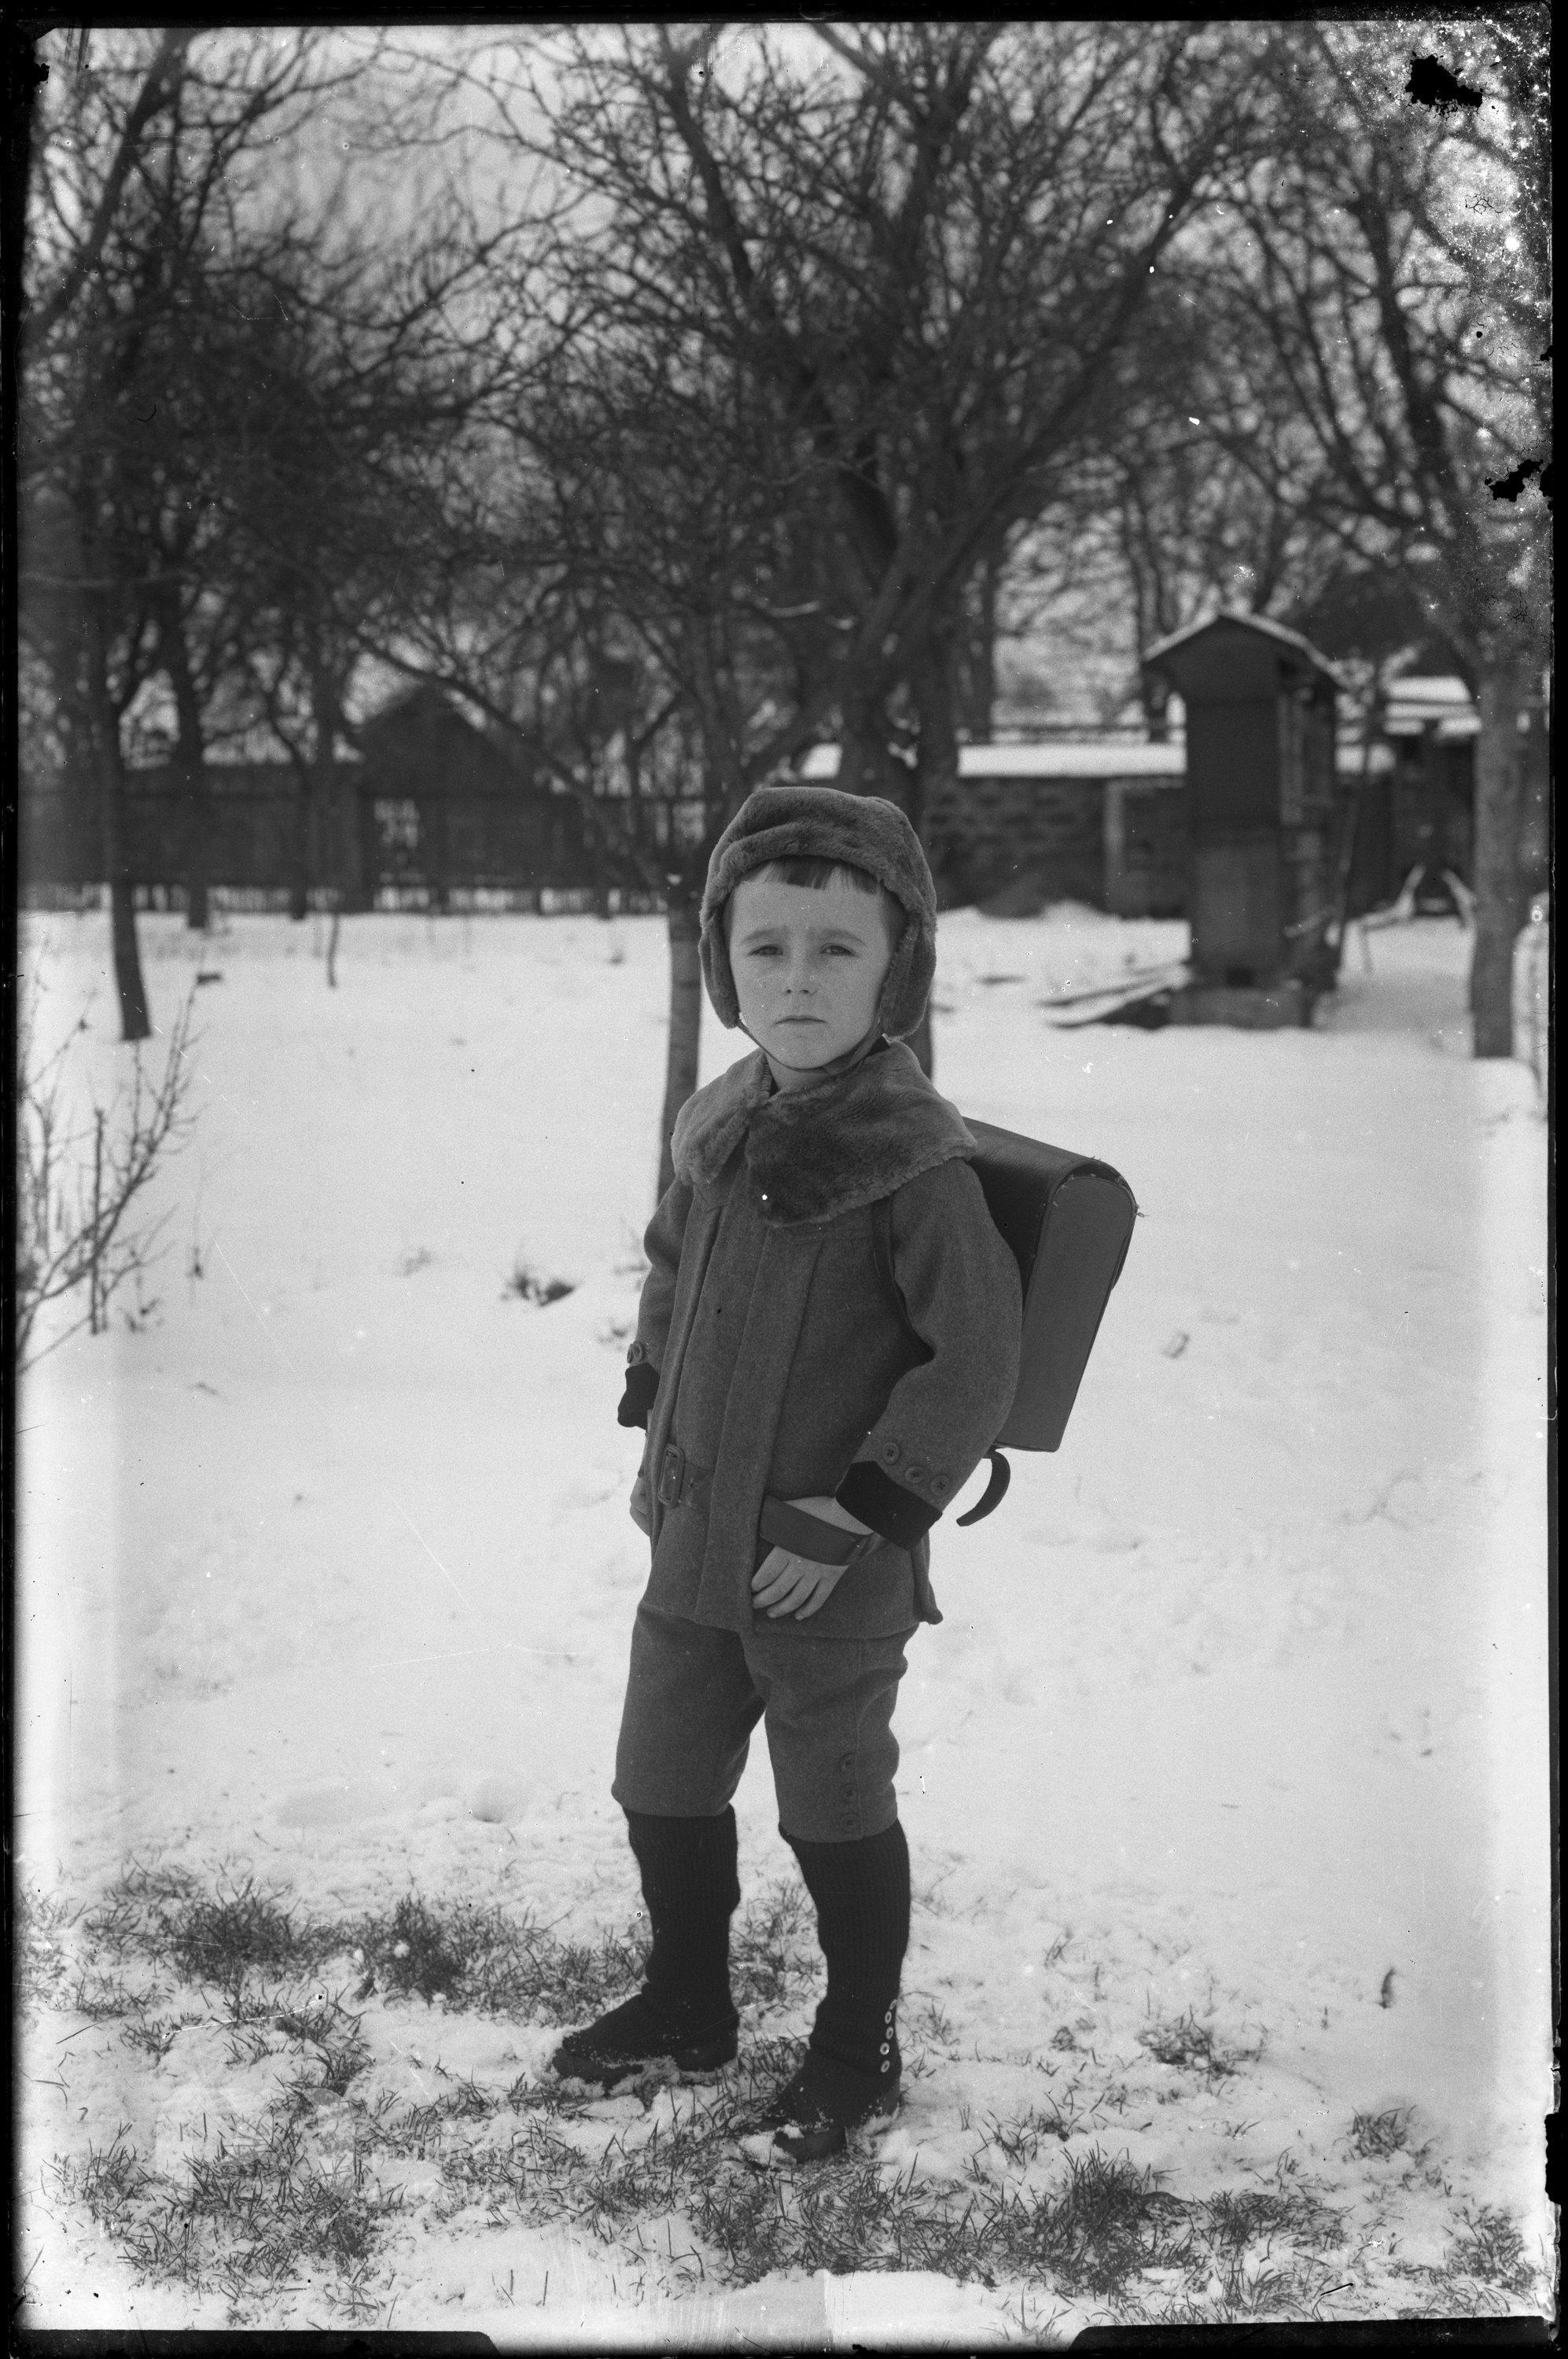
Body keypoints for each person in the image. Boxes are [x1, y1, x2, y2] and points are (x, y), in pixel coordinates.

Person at [550, 783, 1022, 2161]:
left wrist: (861, 1512)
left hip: (827, 1564)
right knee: (660, 1778)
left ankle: (854, 2041)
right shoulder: (722, 1121)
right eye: (766, 948)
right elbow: (669, 1265)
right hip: (697, 1536)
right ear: (723, 966)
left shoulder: (913, 1162)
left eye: (836, 950)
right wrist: (651, 1397)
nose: (798, 979)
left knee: (832, 1805)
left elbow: (973, 1360)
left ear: (897, 968)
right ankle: (688, 2002)